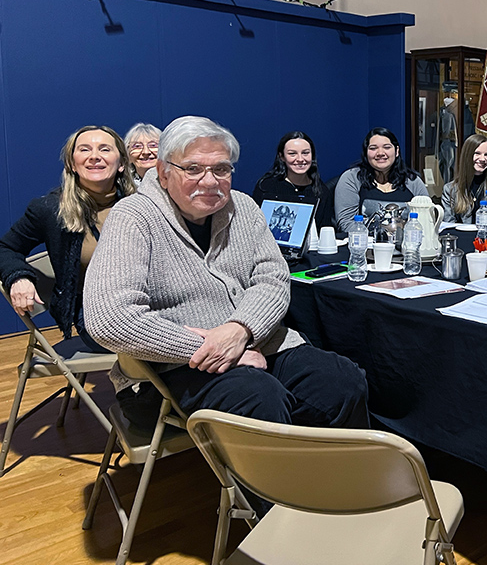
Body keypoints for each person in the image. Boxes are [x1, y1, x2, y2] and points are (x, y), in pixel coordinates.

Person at [83, 116, 368, 431]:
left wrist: (240, 331)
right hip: (169, 365)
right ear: (163, 173)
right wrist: (216, 350)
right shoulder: (132, 217)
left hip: (258, 341)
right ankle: (278, 464)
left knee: (342, 381)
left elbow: (273, 278)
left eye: (221, 169)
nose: (209, 181)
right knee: (259, 398)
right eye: (193, 169)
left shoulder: (243, 207)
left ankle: (333, 463)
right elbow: (110, 318)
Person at [0, 126, 136, 353]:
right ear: (72, 163)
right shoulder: (50, 209)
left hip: (145, 302)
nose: (94, 156)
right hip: (96, 314)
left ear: (121, 163)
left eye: (104, 149)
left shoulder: (140, 203)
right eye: (85, 149)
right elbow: (5, 248)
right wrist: (18, 278)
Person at [334, 127, 429, 233]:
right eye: (373, 148)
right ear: (366, 153)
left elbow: (427, 220)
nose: (380, 153)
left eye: (387, 147)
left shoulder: (413, 181)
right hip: (365, 242)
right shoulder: (352, 178)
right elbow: (346, 223)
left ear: (397, 151)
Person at [251, 131, 335, 237]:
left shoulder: (321, 190)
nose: (300, 159)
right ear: (282, 157)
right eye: (292, 154)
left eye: (305, 153)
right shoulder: (266, 186)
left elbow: (325, 230)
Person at [441, 134, 487, 227]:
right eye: (477, 153)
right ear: (467, 155)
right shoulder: (450, 190)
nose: (482, 159)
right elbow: (449, 226)